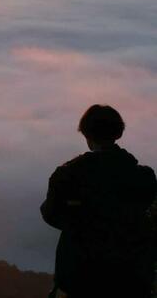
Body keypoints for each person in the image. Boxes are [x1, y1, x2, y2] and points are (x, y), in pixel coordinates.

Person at [41, 104, 156, 298]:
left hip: (82, 277)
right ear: (118, 133)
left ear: (87, 136)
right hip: (131, 277)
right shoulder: (143, 177)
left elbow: (51, 214)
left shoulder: (67, 175)